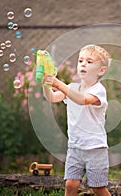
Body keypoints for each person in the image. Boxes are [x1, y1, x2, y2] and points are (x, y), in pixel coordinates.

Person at [42, 44, 111, 196]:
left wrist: (58, 83)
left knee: (97, 188)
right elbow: (52, 97)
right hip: (75, 147)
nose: (83, 64)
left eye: (89, 61)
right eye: (80, 61)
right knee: (70, 184)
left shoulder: (98, 90)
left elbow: (82, 100)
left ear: (101, 70)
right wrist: (46, 85)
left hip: (95, 148)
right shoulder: (73, 87)